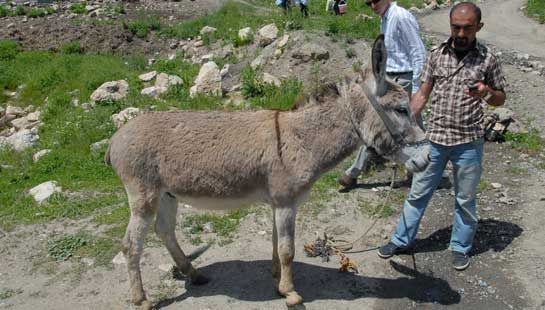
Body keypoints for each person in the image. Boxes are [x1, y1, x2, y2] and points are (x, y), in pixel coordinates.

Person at [377, 2, 506, 271]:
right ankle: (401, 240)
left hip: (469, 142)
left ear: (478, 27)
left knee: (465, 199)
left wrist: (485, 92)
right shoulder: (436, 55)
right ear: (450, 25)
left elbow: (500, 98)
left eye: (467, 28)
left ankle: (460, 247)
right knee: (418, 193)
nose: (460, 34)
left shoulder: (488, 59)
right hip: (435, 139)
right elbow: (423, 93)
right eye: (456, 27)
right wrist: (403, 126)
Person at [337, 0, 427, 189]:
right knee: (403, 125)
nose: (372, 5)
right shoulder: (385, 18)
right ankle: (424, 170)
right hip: (391, 78)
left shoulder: (400, 16)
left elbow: (418, 52)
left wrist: (418, 87)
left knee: (391, 124)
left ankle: (354, 173)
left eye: (375, 1)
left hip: (404, 79)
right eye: (368, 3)